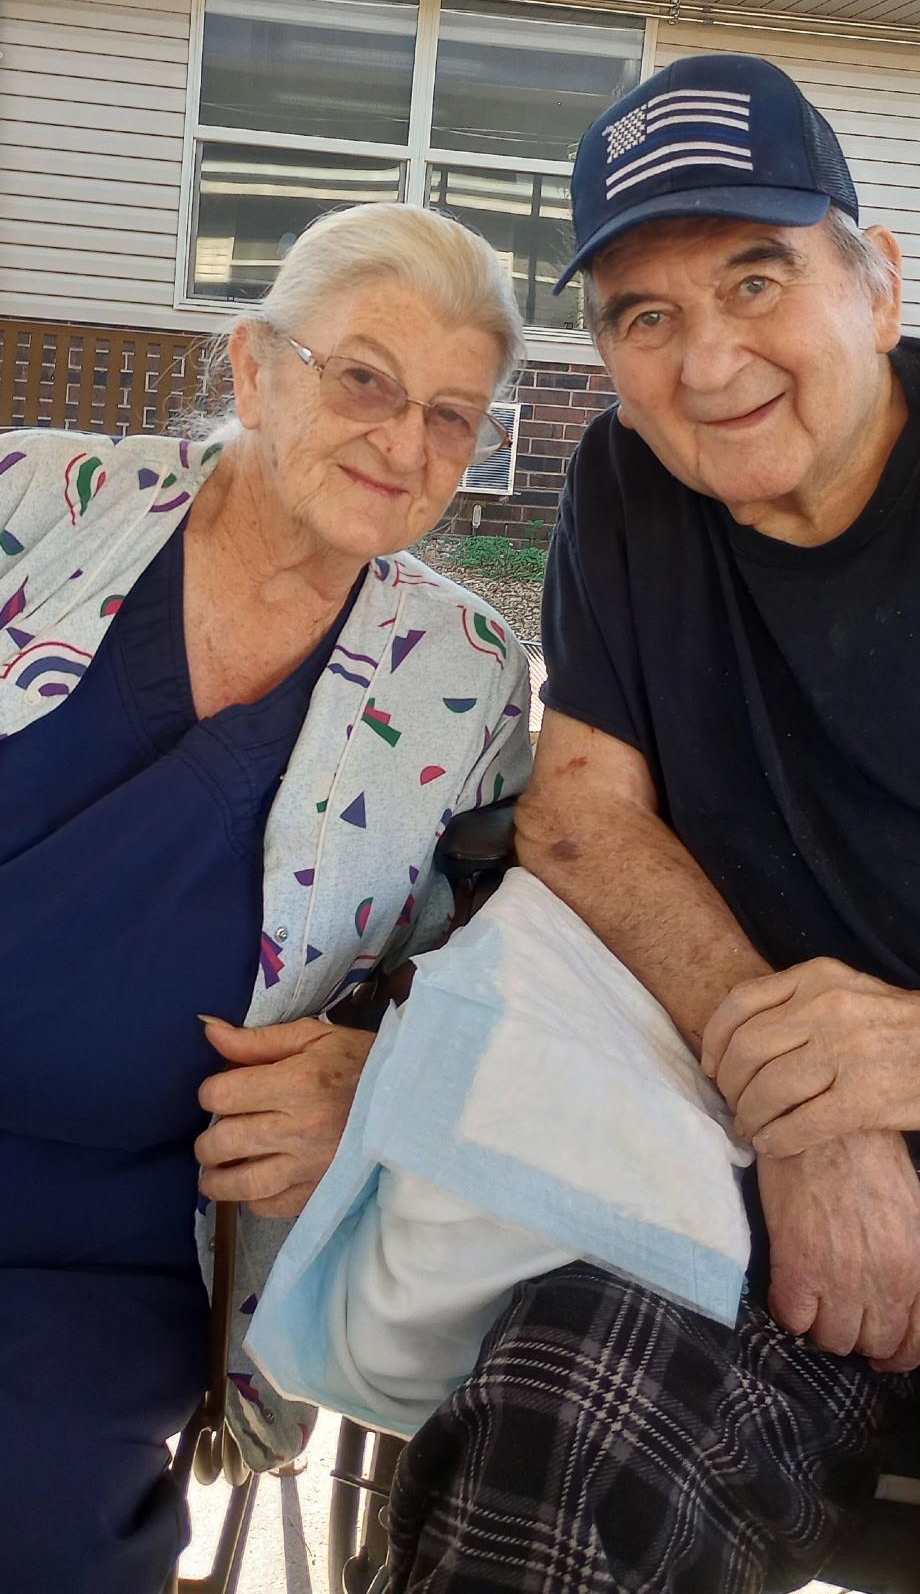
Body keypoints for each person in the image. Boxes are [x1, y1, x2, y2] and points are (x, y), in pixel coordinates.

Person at [381, 56, 920, 1594]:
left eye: (755, 280)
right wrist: (800, 1097)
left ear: (874, 284)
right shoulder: (627, 486)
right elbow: (577, 815)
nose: (709, 361)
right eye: (644, 316)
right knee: (554, 1433)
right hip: (756, 1176)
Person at [0, 201, 533, 1594]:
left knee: (36, 1523)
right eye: (363, 380)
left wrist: (374, 1078)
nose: (403, 443)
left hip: (104, 1252)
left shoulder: (464, 672)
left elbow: (492, 975)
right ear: (251, 367)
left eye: (451, 415)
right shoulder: (33, 500)